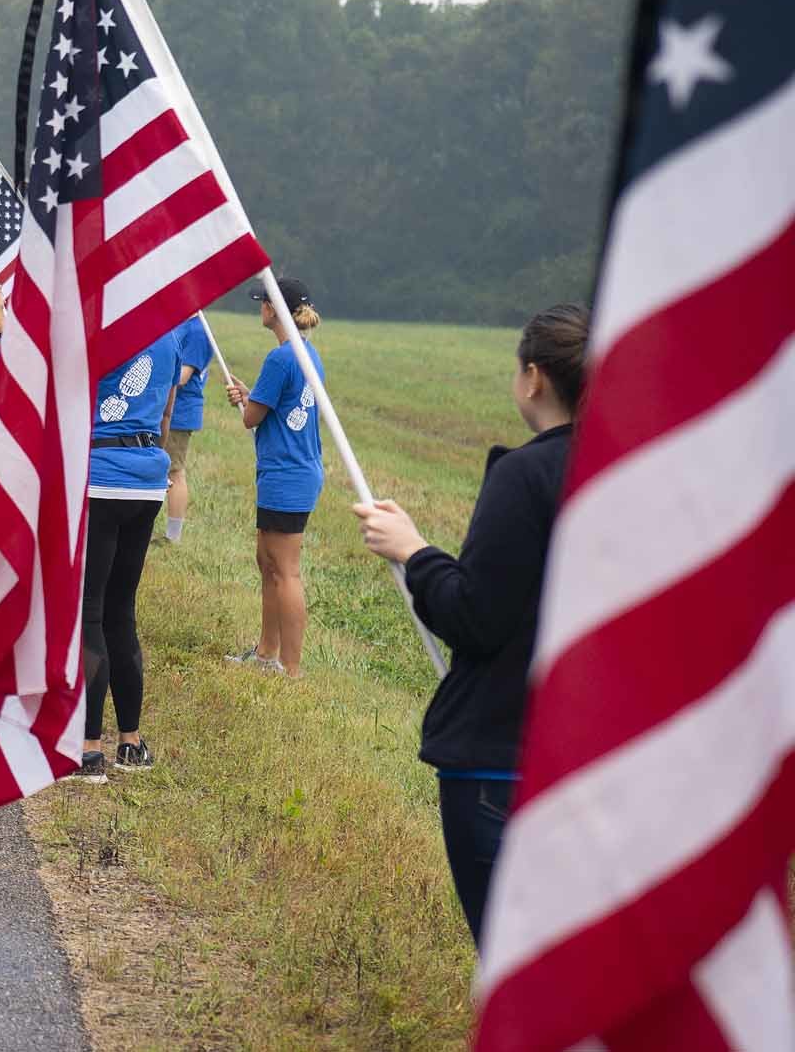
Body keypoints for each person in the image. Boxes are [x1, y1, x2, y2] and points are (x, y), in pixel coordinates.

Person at [352, 304, 587, 945]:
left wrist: (413, 552)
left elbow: (476, 618)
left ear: (533, 378)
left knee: (516, 959)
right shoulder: (629, 476)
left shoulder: (525, 475)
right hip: (594, 764)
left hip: (501, 768)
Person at [77, 330, 182, 780]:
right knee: (121, 610)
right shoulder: (171, 337)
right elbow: (166, 415)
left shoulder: (101, 328)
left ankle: (88, 750)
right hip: (148, 479)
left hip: (101, 477)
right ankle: (131, 743)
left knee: (90, 611)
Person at [223, 279, 326, 680]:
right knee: (266, 562)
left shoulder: (281, 359)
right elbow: (276, 406)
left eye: (262, 302)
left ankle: (292, 669)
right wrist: (252, 395)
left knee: (285, 570)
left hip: (288, 474)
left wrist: (246, 402)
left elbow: (252, 418)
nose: (259, 308)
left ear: (273, 308)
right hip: (289, 471)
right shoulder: (306, 354)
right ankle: (266, 654)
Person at [159, 313, 214, 543]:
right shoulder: (182, 324)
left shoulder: (198, 331)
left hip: (179, 413)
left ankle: (173, 536)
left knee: (174, 471)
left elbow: (182, 377)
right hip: (167, 408)